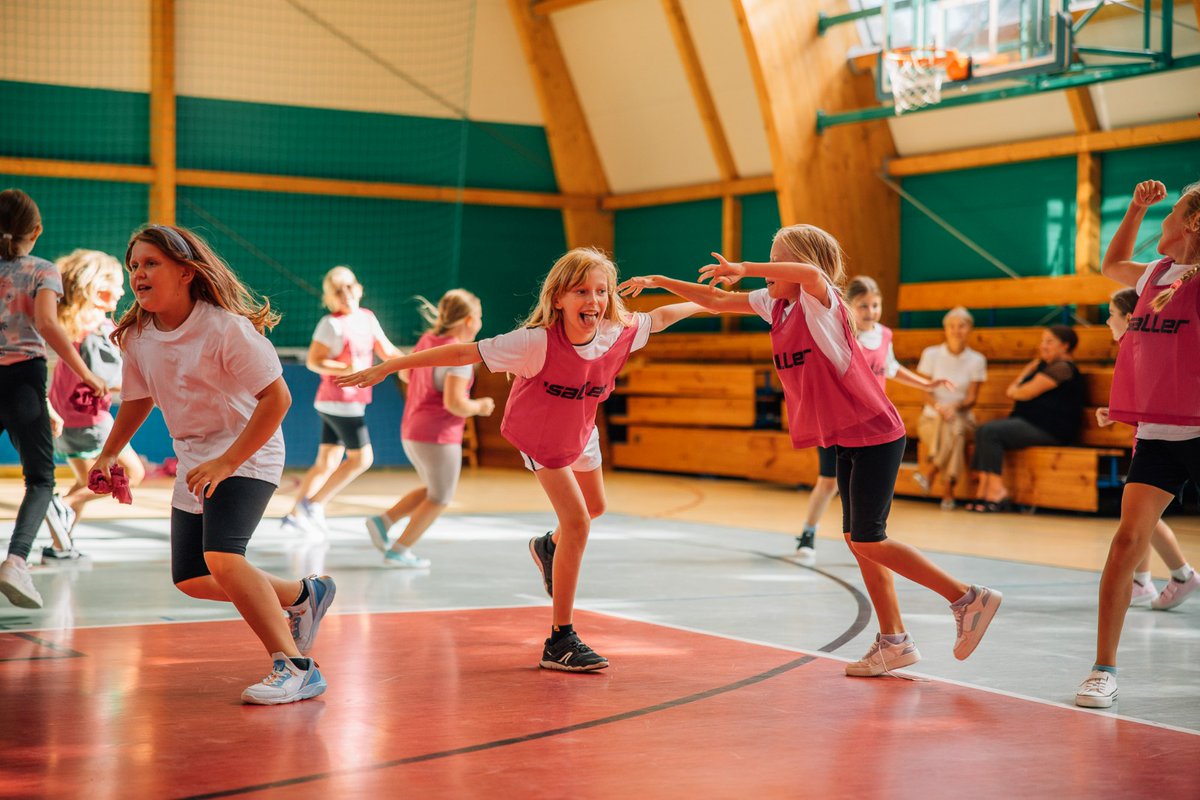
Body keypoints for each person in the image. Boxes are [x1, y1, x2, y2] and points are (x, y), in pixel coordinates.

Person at [618, 225, 1001, 678]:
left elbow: (808, 271)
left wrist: (743, 267)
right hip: (847, 437)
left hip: (876, 432)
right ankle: (894, 641)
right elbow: (718, 301)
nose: (767, 270)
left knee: (868, 539)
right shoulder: (775, 305)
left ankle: (968, 598)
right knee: (859, 544)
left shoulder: (821, 301)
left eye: (775, 260)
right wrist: (662, 281)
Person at [339, 248, 702, 671]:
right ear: (559, 298)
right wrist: (391, 366)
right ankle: (560, 639)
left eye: (601, 291)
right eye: (581, 290)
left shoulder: (617, 332)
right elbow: (461, 353)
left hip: (581, 431)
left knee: (594, 508)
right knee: (578, 523)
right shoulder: (534, 342)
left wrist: (712, 301)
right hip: (541, 434)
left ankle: (547, 546)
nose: (594, 300)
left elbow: (660, 318)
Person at [91, 224, 334, 705]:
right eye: (134, 265)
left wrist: (227, 462)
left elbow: (277, 399)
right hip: (197, 457)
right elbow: (138, 400)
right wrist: (109, 451)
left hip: (248, 449)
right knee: (193, 578)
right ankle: (303, 596)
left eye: (151, 263)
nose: (138, 273)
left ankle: (296, 667)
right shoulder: (138, 334)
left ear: (185, 272)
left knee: (224, 557)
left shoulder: (224, 328)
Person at [1076, 179, 1200, 709]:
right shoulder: (1152, 275)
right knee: (1127, 543)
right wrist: (1134, 207)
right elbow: (1111, 264)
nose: (1163, 220)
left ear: (1193, 224)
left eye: (1172, 212)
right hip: (1157, 433)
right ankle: (1104, 669)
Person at [793, 276, 952, 565]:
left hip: (872, 425)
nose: (870, 311)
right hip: (838, 422)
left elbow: (891, 368)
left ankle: (867, 541)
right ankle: (808, 532)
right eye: (863, 305)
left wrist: (927, 384)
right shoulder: (841, 334)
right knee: (829, 482)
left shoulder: (885, 335)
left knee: (864, 487)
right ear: (849, 306)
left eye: (875, 305)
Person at [0, 189, 107, 609]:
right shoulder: (42, 270)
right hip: (24, 378)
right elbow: (46, 322)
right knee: (41, 479)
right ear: (36, 231)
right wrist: (86, 373)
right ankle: (14, 561)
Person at [365, 289, 494, 568]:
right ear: (469, 320)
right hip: (437, 435)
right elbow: (455, 403)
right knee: (442, 496)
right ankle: (400, 549)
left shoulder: (426, 341)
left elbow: (406, 373)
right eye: (480, 316)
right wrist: (480, 406)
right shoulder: (459, 357)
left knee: (433, 489)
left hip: (412, 429)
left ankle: (383, 521)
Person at [282, 266, 400, 538]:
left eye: (349, 286)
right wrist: (345, 367)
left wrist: (413, 368)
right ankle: (314, 504)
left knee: (327, 462)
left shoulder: (368, 319)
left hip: (351, 402)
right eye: (338, 290)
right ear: (330, 297)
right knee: (362, 458)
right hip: (338, 401)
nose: (345, 293)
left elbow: (389, 351)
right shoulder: (331, 324)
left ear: (358, 288)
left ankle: (294, 514)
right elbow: (314, 361)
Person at [1098, 288, 1197, 611]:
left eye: (1111, 313)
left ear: (1130, 318)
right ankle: (1142, 579)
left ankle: (1179, 573)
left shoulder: (1145, 344)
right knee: (1139, 517)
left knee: (1143, 516)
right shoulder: (1135, 346)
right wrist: (1115, 411)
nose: (1106, 320)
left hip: (1162, 436)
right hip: (1149, 431)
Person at [44, 249, 146, 559]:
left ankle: (61, 545)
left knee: (83, 481)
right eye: (116, 283)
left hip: (63, 422)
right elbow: (106, 380)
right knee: (133, 473)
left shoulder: (69, 327)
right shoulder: (99, 331)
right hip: (90, 421)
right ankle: (61, 506)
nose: (122, 290)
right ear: (97, 289)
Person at [967, 325, 1085, 512]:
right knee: (982, 430)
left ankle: (997, 491)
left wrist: (1018, 387)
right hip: (1031, 424)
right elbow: (1012, 391)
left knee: (991, 431)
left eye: (1049, 341)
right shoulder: (1042, 367)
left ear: (1065, 346)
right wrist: (1024, 374)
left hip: (1051, 429)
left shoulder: (1063, 369)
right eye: (1042, 341)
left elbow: (1024, 393)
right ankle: (983, 490)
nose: (1043, 346)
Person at [913, 306, 987, 510]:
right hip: (931, 418)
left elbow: (972, 398)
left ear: (969, 329)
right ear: (945, 329)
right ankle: (947, 491)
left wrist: (955, 406)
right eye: (952, 326)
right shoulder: (931, 354)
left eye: (962, 326)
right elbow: (925, 391)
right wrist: (939, 407)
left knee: (956, 427)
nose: (957, 330)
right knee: (956, 432)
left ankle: (930, 472)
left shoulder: (977, 360)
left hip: (963, 416)